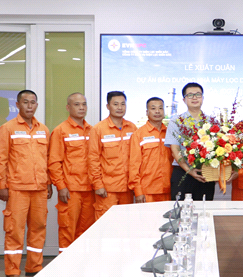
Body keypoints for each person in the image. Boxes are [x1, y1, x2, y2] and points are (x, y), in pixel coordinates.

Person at [0, 90, 52, 277]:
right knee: (15, 230)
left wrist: (49, 182)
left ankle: (34, 267)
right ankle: (12, 270)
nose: (29, 106)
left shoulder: (43, 129)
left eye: (33, 102)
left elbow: (47, 159)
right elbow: (1, 159)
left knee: (38, 228)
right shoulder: (7, 128)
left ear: (37, 105)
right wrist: (2, 185)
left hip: (39, 188)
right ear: (17, 105)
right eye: (25, 102)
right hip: (17, 188)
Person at [48, 93, 94, 254]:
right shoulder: (61, 131)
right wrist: (60, 186)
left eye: (84, 104)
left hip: (90, 190)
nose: (81, 107)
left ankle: (81, 263)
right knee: (68, 230)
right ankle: (65, 267)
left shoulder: (92, 130)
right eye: (77, 104)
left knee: (87, 231)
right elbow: (54, 162)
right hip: (70, 190)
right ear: (68, 107)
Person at [88, 91, 137, 219]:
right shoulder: (98, 129)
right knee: (106, 227)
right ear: (107, 106)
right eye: (115, 104)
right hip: (107, 190)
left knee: (126, 226)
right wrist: (98, 185)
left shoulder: (132, 128)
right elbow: (93, 159)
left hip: (128, 189)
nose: (120, 108)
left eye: (123, 104)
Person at [165, 82, 216, 201]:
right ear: (184, 99)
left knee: (204, 211)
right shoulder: (176, 121)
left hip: (206, 173)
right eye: (190, 95)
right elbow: (175, 149)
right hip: (182, 172)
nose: (194, 98)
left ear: (202, 98)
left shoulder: (212, 122)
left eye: (198, 94)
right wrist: (189, 170)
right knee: (181, 212)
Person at [129, 97, 174, 203]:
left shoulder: (169, 133)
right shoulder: (138, 135)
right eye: (153, 108)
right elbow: (133, 166)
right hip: (147, 191)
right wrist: (138, 191)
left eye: (160, 108)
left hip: (168, 189)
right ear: (147, 112)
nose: (157, 111)